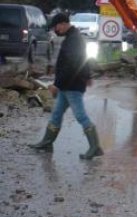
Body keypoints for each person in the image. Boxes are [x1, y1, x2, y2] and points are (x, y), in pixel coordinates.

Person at [28, 12, 103, 160]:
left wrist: (56, 85)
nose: (56, 30)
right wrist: (87, 76)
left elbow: (71, 66)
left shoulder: (73, 40)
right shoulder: (73, 37)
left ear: (62, 24)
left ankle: (95, 147)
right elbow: (84, 59)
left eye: (56, 27)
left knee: (81, 115)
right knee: (56, 113)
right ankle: (47, 142)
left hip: (72, 86)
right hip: (68, 85)